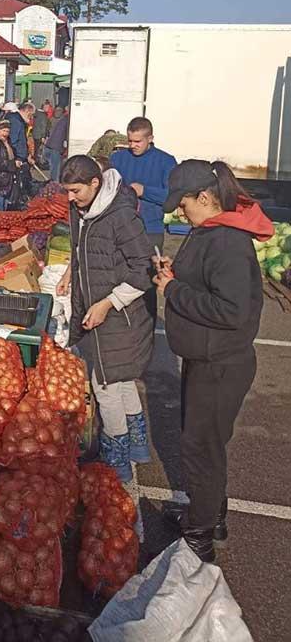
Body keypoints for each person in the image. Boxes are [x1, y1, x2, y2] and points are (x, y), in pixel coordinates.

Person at [155, 160, 273, 562]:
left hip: (220, 364)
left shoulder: (227, 242)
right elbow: (206, 281)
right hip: (204, 357)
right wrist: (176, 275)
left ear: (205, 198)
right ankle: (209, 515)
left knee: (200, 447)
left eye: (184, 204)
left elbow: (232, 310)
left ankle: (200, 538)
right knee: (205, 444)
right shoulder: (209, 230)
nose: (179, 212)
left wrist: (173, 291)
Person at [57, 156, 154, 482]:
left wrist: (107, 303)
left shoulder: (120, 216)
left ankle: (116, 462)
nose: (70, 198)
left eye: (75, 190)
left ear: (95, 184)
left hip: (118, 316)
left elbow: (144, 268)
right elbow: (80, 248)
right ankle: (137, 445)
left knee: (106, 385)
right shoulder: (82, 210)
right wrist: (72, 273)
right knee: (121, 378)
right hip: (96, 307)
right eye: (67, 191)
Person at [110, 117, 177, 252]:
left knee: (149, 270)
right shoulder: (117, 158)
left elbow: (172, 197)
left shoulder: (166, 161)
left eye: (138, 141)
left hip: (150, 229)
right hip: (120, 227)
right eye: (130, 141)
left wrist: (145, 191)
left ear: (150, 138)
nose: (132, 145)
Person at [44, 106, 69, 182]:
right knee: (56, 170)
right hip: (56, 146)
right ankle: (54, 186)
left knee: (53, 168)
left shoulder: (61, 119)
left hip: (50, 144)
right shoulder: (67, 120)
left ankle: (53, 184)